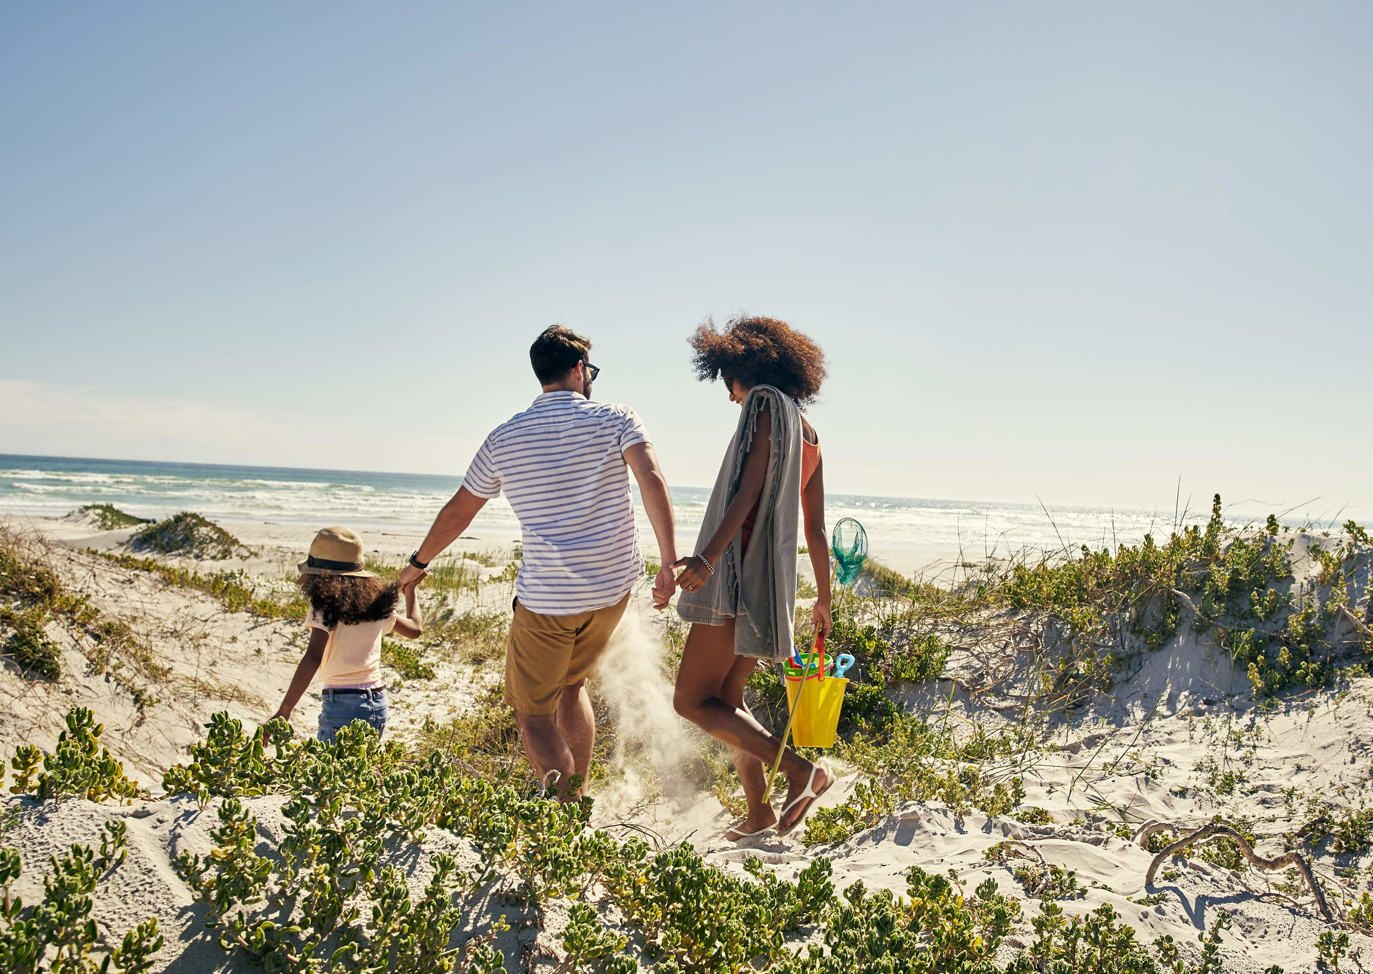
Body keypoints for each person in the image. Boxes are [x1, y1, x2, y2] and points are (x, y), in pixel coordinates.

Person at [398, 325, 677, 800]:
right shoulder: (618, 418)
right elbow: (651, 478)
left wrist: (419, 562)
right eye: (590, 370)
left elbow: (461, 509)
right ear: (578, 370)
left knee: (534, 715)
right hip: (610, 594)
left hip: (549, 600)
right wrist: (668, 561)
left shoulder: (504, 437)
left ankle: (565, 811)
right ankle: (576, 798)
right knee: (571, 686)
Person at [672, 315, 834, 839]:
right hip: (772, 587)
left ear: (748, 369)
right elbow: (815, 530)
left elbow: (747, 491)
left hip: (738, 576)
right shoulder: (809, 434)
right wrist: (823, 599)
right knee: (728, 701)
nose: (731, 396)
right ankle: (759, 812)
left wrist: (707, 559)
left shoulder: (764, 404)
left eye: (729, 383)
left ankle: (803, 773)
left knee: (691, 701)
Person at [273, 526, 424, 741]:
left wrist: (285, 710)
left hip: (342, 704)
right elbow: (415, 629)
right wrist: (411, 591)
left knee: (329, 763)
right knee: (360, 762)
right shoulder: (375, 603)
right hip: (377, 701)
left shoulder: (324, 605)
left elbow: (313, 656)